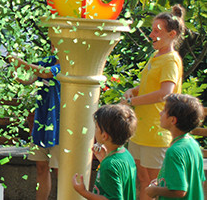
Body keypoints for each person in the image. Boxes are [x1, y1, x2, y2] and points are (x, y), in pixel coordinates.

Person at [121, 5, 185, 200]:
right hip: (141, 129)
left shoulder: (170, 60)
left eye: (157, 31)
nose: (151, 34)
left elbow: (165, 92)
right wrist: (133, 91)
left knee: (156, 185)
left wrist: (132, 100)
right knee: (142, 179)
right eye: (152, 29)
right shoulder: (155, 56)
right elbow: (150, 86)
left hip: (157, 132)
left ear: (172, 34)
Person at [8, 48, 60, 200]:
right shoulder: (48, 60)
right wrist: (15, 73)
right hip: (40, 124)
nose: (53, 45)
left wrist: (21, 62)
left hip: (58, 126)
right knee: (41, 168)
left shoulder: (68, 64)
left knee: (60, 171)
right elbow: (30, 78)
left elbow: (46, 73)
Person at [72, 104, 137, 200]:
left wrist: (84, 192)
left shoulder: (109, 165)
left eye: (97, 127)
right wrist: (104, 160)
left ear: (104, 136)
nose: (95, 130)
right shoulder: (126, 155)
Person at [146, 94, 205, 199]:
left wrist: (154, 190)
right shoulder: (192, 144)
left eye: (164, 111)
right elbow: (201, 180)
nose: (160, 113)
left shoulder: (174, 151)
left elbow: (179, 191)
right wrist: (161, 183)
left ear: (173, 120)